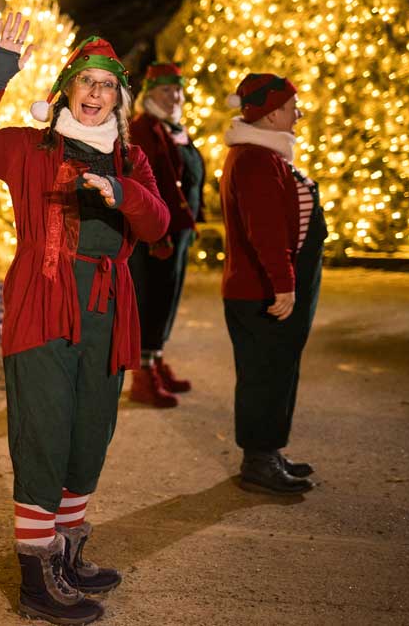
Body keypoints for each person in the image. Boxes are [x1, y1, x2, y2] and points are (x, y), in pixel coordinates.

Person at [0, 12, 169, 625]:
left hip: (106, 308)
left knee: (90, 432)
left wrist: (122, 192)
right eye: (87, 83)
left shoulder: (132, 159)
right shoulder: (31, 148)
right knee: (44, 433)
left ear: (119, 100)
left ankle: (69, 553)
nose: (96, 94)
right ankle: (36, 577)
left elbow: (156, 226)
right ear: (67, 90)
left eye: (108, 86)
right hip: (44, 302)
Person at [219, 73, 325, 495]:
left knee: (278, 371)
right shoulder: (256, 160)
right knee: (264, 374)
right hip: (260, 292)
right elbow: (265, 230)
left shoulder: (267, 155)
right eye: (292, 107)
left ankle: (269, 451)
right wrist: (284, 283)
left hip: (268, 288)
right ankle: (258, 461)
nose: (298, 113)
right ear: (272, 112)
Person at [127, 62, 205, 408]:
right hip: (157, 232)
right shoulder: (144, 128)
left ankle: (156, 359)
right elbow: (146, 181)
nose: (173, 96)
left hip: (180, 228)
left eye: (177, 90)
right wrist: (155, 232)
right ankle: (142, 376)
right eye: (165, 90)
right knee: (152, 298)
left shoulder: (177, 129)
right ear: (150, 94)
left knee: (169, 298)